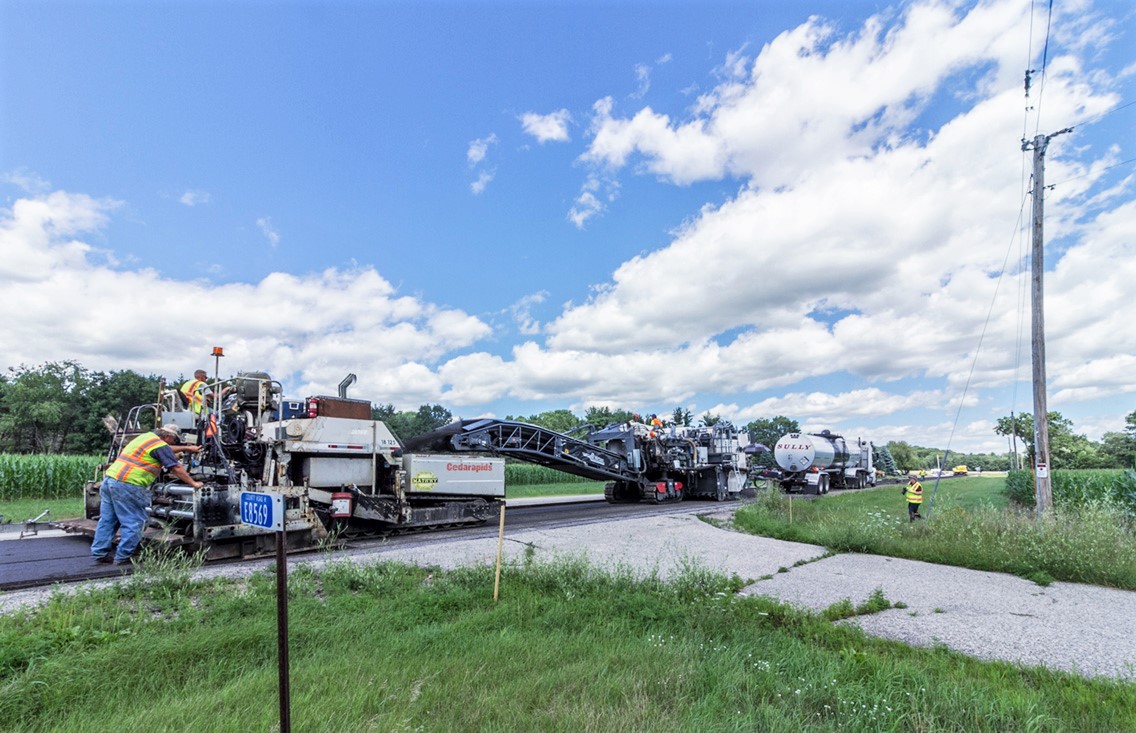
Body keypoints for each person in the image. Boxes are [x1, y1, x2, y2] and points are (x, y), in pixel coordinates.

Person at [91, 424, 203, 565]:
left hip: (110, 481)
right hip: (129, 485)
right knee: (135, 522)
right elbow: (176, 467)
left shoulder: (145, 438)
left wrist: (187, 448)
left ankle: (100, 553)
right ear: (168, 436)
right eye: (174, 441)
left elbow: (166, 450)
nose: (174, 444)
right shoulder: (160, 446)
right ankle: (123, 557)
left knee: (108, 520)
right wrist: (194, 483)